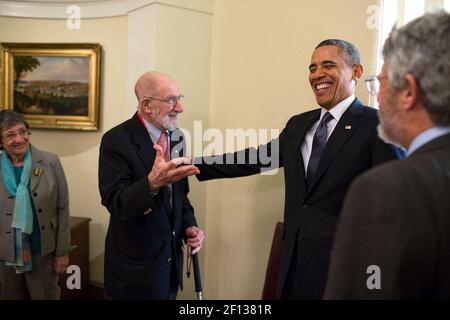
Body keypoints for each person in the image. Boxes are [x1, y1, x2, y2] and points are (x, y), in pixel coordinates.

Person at [195, 39, 404, 299]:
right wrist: (193, 166)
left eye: (328, 65)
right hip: (293, 265)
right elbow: (257, 158)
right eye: (312, 68)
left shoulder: (378, 126)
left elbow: (397, 207)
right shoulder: (298, 125)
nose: (318, 75)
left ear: (357, 72)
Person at [324, 12, 450, 299]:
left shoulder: (383, 189)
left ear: (408, 92)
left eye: (380, 83)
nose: (377, 96)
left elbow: (366, 291)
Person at [98, 71, 204, 300]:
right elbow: (116, 202)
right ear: (146, 105)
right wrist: (152, 183)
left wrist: (189, 226)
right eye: (171, 100)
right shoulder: (115, 140)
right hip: (134, 273)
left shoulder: (177, 138)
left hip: (168, 267)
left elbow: (179, 196)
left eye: (179, 97)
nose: (180, 107)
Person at [0, 110, 70, 300]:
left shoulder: (50, 161)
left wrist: (62, 253)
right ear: (1, 142)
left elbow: (62, 209)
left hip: (42, 251)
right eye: (10, 135)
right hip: (5, 253)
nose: (19, 139)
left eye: (23, 132)